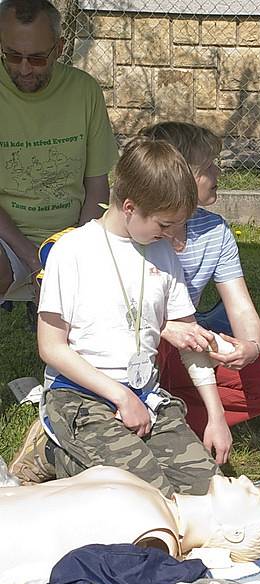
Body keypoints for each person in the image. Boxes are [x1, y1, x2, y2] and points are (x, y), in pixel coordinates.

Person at [36, 136, 233, 499]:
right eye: (165, 224)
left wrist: (216, 415)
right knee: (147, 499)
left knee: (210, 494)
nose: (176, 238)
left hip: (145, 394)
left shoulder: (161, 252)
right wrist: (120, 397)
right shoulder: (73, 251)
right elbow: (51, 347)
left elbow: (191, 338)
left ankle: (103, 457)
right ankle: (52, 452)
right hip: (82, 395)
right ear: (129, 207)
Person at [139, 121, 260, 439]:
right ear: (180, 175)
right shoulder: (140, 230)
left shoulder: (214, 231)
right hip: (142, 344)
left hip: (188, 345)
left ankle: (171, 422)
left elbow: (240, 305)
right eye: (209, 166)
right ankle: (156, 417)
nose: (218, 173)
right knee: (162, 348)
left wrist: (250, 345)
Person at [0, 465, 260, 584]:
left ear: (235, 533)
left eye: (252, 494)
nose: (247, 479)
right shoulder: (154, 497)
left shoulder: (155, 543)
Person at [0, 0, 118, 304]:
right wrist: (34, 259)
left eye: (38, 59)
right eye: (13, 55)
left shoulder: (85, 91)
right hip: (8, 241)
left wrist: (71, 256)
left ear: (60, 47)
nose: (24, 69)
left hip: (73, 236)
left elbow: (97, 190)